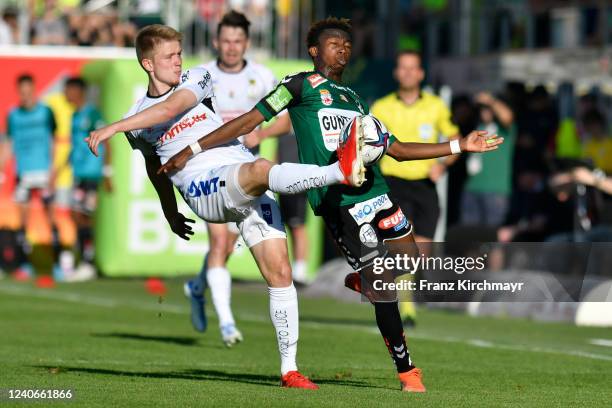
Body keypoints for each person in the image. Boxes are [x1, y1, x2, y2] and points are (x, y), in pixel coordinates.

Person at [158, 17, 502, 392]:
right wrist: (193, 148)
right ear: (314, 50)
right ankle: (407, 371)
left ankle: (362, 281)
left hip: (377, 192)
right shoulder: (298, 85)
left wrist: (459, 145)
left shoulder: (355, 99)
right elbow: (247, 122)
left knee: (412, 258)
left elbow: (398, 150)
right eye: (335, 43)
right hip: (339, 202)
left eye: (347, 45)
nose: (343, 49)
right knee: (385, 288)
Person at [86, 24, 367, 389]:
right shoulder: (137, 121)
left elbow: (172, 107)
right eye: (169, 56)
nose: (178, 60)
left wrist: (112, 127)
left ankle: (289, 370)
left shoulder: (197, 78)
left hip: (237, 172)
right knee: (262, 170)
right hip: (205, 187)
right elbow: (155, 167)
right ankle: (337, 172)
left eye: (178, 53)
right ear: (147, 64)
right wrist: (170, 210)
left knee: (280, 275)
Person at [185, 10, 291, 346]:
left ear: (247, 43)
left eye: (238, 41)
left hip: (249, 171)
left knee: (228, 246)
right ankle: (228, 324)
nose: (231, 47)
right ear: (217, 41)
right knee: (219, 243)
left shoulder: (262, 77)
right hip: (211, 169)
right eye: (226, 40)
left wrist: (262, 134)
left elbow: (287, 119)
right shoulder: (201, 77)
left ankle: (197, 287)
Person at [370, 50, 461, 325]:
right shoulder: (382, 107)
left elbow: (455, 138)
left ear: (421, 74)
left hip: (424, 185)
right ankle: (406, 309)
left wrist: (443, 164)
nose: (408, 73)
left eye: (413, 68)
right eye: (403, 68)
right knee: (404, 249)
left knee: (422, 250)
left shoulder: (436, 106)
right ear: (397, 73)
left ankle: (401, 297)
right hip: (394, 183)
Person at [5, 74, 57, 285]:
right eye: (22, 92)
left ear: (34, 89)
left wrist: (53, 170)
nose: (25, 95)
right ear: (19, 91)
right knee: (23, 221)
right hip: (23, 173)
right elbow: (9, 144)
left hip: (44, 171)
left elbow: (53, 141)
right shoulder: (13, 116)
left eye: (29, 91)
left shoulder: (46, 112)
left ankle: (58, 265)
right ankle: (23, 264)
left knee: (50, 217)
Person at [61, 76, 112, 280]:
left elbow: (106, 141)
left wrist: (107, 172)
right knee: (76, 215)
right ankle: (84, 259)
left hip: (92, 173)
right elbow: (75, 145)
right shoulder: (75, 115)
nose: (65, 94)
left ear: (77, 91)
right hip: (79, 174)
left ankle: (88, 263)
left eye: (68, 90)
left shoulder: (92, 114)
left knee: (84, 216)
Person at [461, 92, 515, 227]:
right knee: (469, 237)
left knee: (492, 238)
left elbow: (507, 117)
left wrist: (490, 101)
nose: (484, 111)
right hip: (472, 187)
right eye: (482, 108)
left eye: (488, 108)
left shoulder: (505, 129)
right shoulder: (477, 127)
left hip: (495, 190)